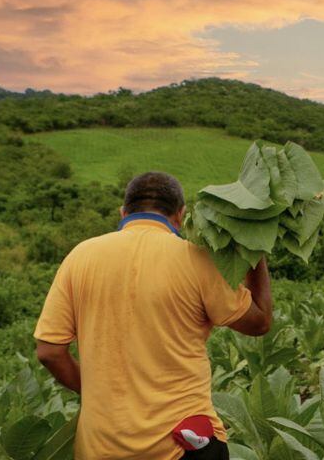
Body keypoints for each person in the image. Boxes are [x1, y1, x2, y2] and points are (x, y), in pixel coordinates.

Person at [34, 172, 273, 460]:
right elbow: (259, 322)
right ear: (180, 215)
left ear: (122, 213)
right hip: (183, 444)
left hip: (101, 447)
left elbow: (49, 351)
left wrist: (97, 392)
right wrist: (255, 249)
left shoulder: (80, 256)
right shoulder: (196, 258)